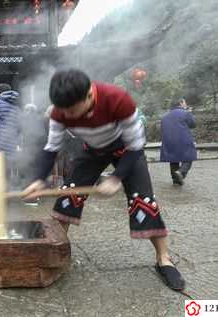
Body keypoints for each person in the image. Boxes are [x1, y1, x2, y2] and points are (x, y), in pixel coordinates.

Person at [23, 69, 185, 291]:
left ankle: (163, 258)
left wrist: (116, 178)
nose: (68, 115)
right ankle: (56, 253)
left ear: (89, 95)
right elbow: (51, 148)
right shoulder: (60, 111)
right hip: (91, 151)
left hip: (127, 151)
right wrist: (38, 180)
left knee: (144, 200)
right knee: (68, 195)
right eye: (64, 110)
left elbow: (137, 145)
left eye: (72, 110)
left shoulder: (118, 100)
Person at [160, 98, 196, 186]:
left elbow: (162, 129)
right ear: (180, 103)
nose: (186, 105)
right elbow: (193, 125)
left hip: (168, 141)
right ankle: (181, 173)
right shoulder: (185, 113)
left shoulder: (164, 116)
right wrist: (189, 113)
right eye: (185, 103)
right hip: (182, 139)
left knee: (173, 159)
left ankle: (176, 180)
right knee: (189, 157)